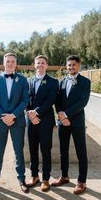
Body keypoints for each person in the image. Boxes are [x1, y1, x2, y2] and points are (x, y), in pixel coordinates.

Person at [0, 53, 29, 194]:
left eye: (12, 61)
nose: (10, 63)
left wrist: (13, 115)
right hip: (0, 121)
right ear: (4, 63)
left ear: (16, 64)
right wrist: (3, 116)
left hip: (17, 121)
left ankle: (21, 179)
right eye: (8, 61)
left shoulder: (23, 80)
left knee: (19, 152)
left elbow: (24, 100)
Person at [51, 55, 91, 194]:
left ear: (78, 66)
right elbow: (57, 101)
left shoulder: (85, 82)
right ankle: (64, 176)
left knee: (81, 152)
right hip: (63, 122)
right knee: (63, 151)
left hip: (77, 122)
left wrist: (66, 115)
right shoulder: (61, 82)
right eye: (69, 65)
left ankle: (81, 182)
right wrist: (61, 116)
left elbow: (82, 102)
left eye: (73, 65)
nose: (71, 67)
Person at [26, 55, 59, 192]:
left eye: (42, 63)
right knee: (32, 149)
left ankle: (45, 179)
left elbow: (50, 100)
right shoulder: (29, 81)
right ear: (34, 65)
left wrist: (36, 112)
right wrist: (30, 113)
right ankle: (34, 176)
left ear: (46, 65)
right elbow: (25, 98)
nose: (40, 65)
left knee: (45, 150)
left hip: (45, 121)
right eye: (38, 63)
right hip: (30, 120)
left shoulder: (53, 82)